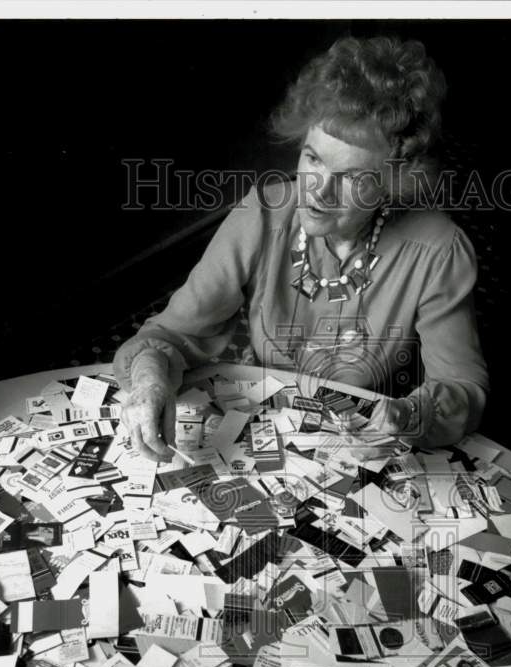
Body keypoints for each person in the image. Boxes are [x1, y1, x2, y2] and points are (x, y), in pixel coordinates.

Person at [114, 35, 490, 462]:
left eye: (353, 177)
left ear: (392, 183)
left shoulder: (438, 250)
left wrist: (407, 414)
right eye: (313, 158)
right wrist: (150, 378)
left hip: (369, 452)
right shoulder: (262, 213)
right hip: (261, 438)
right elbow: (172, 334)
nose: (318, 191)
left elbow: (463, 388)